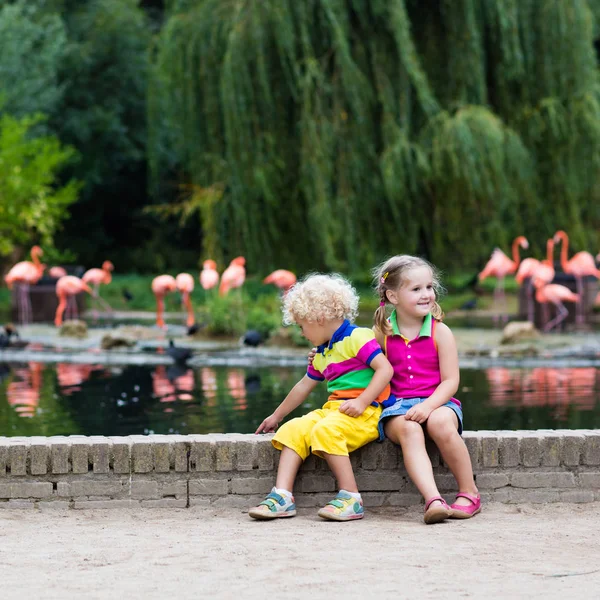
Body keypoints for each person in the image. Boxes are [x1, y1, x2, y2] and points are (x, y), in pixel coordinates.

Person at [250, 273, 393, 522]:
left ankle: (351, 498)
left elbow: (385, 370)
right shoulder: (322, 352)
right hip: (335, 410)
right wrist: (277, 415)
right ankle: (283, 496)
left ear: (318, 318)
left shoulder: (357, 338)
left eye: (302, 325)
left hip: (367, 411)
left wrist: (361, 401)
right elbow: (304, 385)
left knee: (326, 430)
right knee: (293, 429)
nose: (302, 332)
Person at [373, 255, 480, 524]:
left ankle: (469, 492)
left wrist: (429, 406)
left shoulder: (440, 332)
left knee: (441, 423)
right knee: (409, 429)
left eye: (429, 287)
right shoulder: (381, 333)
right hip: (398, 407)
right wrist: (319, 355)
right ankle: (433, 500)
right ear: (393, 296)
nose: (426, 295)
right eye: (416, 289)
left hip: (439, 402)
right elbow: (354, 362)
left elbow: (450, 381)